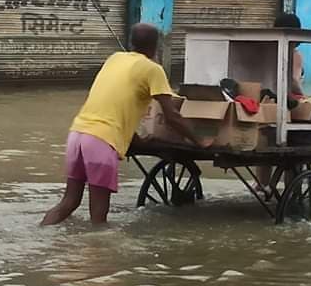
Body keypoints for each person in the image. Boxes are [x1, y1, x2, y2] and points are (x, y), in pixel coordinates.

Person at [41, 23, 205, 225]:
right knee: (99, 219)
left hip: (78, 134)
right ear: (156, 46)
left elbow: (116, 107)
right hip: (102, 141)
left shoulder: (114, 59)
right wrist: (199, 140)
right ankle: (96, 253)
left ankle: (41, 233)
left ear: (130, 42)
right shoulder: (153, 69)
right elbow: (172, 115)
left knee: (68, 202)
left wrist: (140, 142)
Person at [255, 13, 305, 191]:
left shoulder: (263, 51)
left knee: (265, 145)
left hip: (261, 107)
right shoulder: (294, 54)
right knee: (295, 151)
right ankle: (292, 189)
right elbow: (294, 81)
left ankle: (262, 186)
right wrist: (305, 97)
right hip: (284, 109)